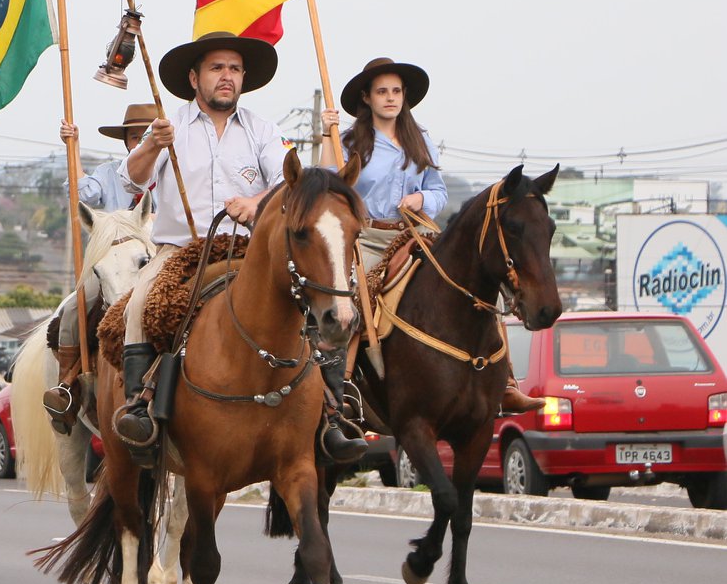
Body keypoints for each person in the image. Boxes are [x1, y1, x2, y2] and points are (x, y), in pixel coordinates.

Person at [110, 31, 366, 464]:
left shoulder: (264, 131)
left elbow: (293, 182)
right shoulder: (169, 127)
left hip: (249, 253)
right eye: (216, 68)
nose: (226, 77)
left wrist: (257, 202)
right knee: (140, 303)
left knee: (318, 299)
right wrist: (153, 143)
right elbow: (129, 181)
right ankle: (140, 406)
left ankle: (333, 414)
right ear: (195, 78)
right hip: (182, 250)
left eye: (234, 69)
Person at [324, 56, 543, 415]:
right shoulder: (348, 140)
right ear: (367, 98)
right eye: (382, 92)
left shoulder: (420, 139)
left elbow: (438, 191)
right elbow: (331, 185)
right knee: (349, 301)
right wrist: (324, 135)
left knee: (476, 285)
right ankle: (342, 388)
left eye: (396, 91)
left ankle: (505, 383)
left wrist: (422, 197)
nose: (390, 98)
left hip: (416, 231)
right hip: (367, 238)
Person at [44, 103, 158, 426]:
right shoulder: (109, 173)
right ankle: (68, 385)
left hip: (157, 261)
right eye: (135, 137)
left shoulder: (170, 172)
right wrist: (73, 148)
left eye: (146, 136)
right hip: (109, 264)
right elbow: (83, 195)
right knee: (73, 308)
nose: (140, 143)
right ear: (126, 142)